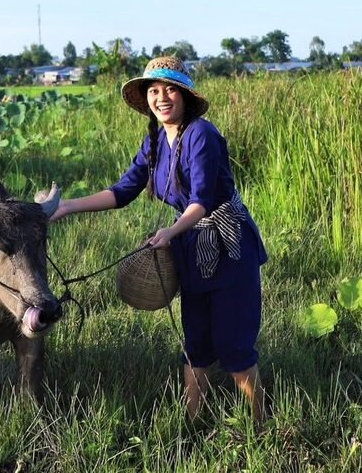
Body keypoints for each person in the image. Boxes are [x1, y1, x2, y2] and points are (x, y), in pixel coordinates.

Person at [48, 56, 268, 429]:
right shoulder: (154, 142)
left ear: (183, 96)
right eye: (153, 90)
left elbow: (200, 199)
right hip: (190, 246)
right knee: (195, 343)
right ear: (146, 98)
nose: (161, 97)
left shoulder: (201, 134)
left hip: (228, 248)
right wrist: (65, 207)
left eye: (169, 90)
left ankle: (261, 424)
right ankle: (192, 423)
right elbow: (122, 191)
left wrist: (170, 232)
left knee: (234, 345)